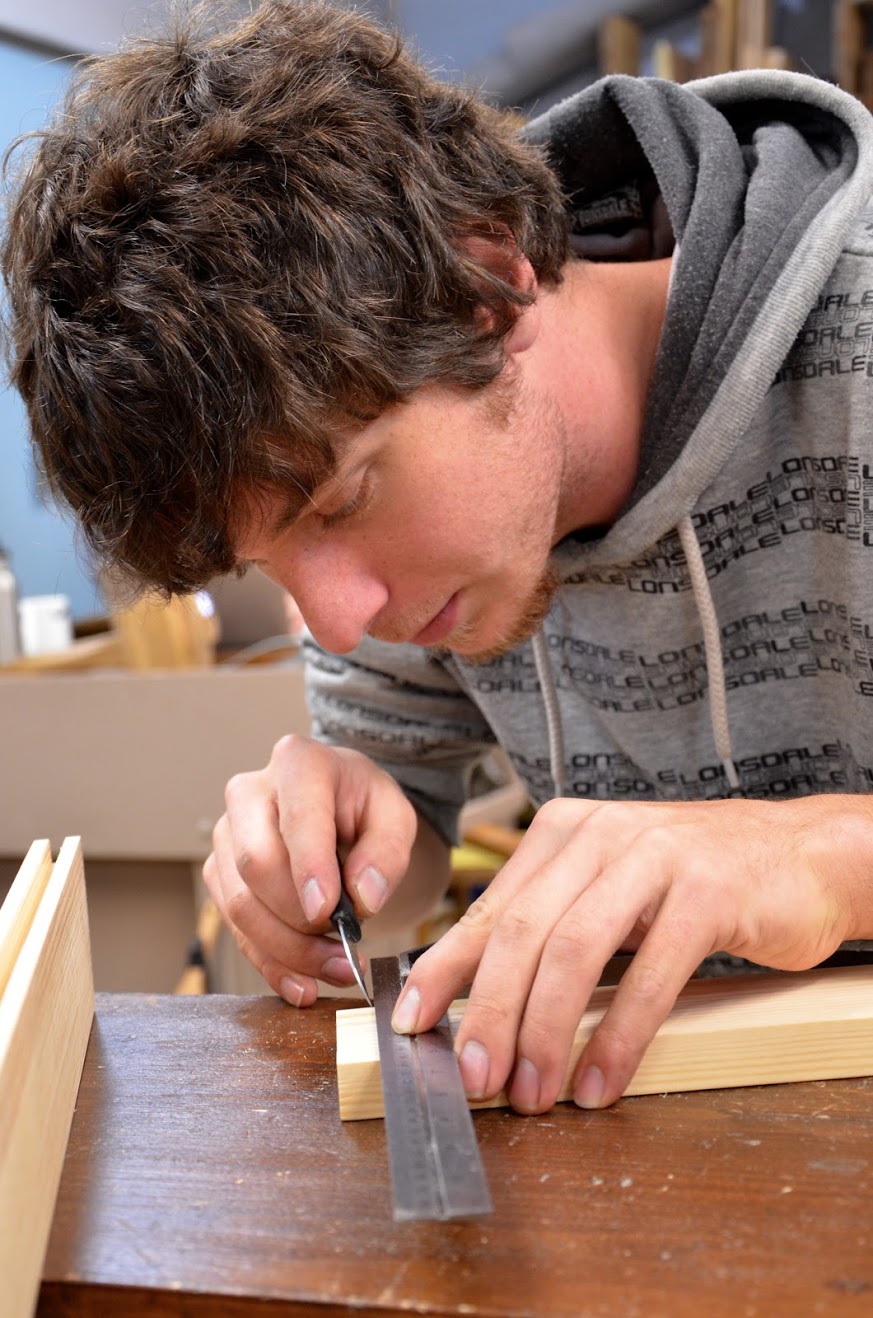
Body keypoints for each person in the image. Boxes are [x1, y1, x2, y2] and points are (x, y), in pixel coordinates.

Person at [4, 0, 873, 1117]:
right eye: (269, 561)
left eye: (345, 501)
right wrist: (355, 840)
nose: (338, 619)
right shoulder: (396, 492)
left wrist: (820, 854)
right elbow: (407, 823)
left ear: (487, 285)